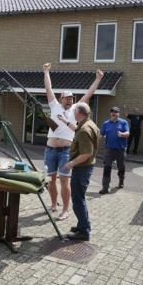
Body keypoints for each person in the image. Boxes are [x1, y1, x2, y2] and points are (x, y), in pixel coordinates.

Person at [43, 62, 103, 221]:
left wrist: (97, 79)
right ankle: (54, 204)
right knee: (50, 179)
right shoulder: (54, 106)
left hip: (65, 151)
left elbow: (88, 95)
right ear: (61, 98)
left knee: (64, 181)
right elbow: (48, 89)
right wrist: (46, 71)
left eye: (72, 98)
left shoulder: (76, 109)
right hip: (50, 149)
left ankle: (65, 210)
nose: (70, 100)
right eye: (67, 97)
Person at [64, 102, 100, 241]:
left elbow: (87, 153)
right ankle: (83, 225)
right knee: (80, 198)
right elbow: (77, 131)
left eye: (74, 111)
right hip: (84, 168)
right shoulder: (89, 124)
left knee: (78, 200)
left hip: (82, 168)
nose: (73, 113)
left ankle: (83, 232)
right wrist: (65, 122)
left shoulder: (85, 129)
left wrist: (71, 163)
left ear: (79, 113)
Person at [99, 106, 130, 194]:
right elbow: (101, 134)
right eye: (112, 112)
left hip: (120, 150)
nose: (114, 113)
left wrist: (122, 134)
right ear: (110, 113)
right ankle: (105, 187)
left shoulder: (123, 122)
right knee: (107, 167)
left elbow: (127, 133)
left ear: (118, 114)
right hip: (109, 150)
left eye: (116, 112)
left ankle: (121, 181)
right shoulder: (106, 123)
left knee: (121, 167)